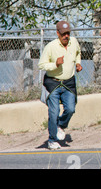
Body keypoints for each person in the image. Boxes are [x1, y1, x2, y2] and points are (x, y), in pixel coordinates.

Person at [38, 21, 83, 150]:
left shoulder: (74, 42)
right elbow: (41, 65)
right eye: (63, 34)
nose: (66, 36)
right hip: (53, 83)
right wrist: (55, 65)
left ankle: (60, 126)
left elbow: (78, 52)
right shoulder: (51, 47)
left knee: (70, 109)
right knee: (54, 112)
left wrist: (78, 63)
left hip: (69, 82)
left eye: (68, 33)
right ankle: (52, 140)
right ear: (58, 33)